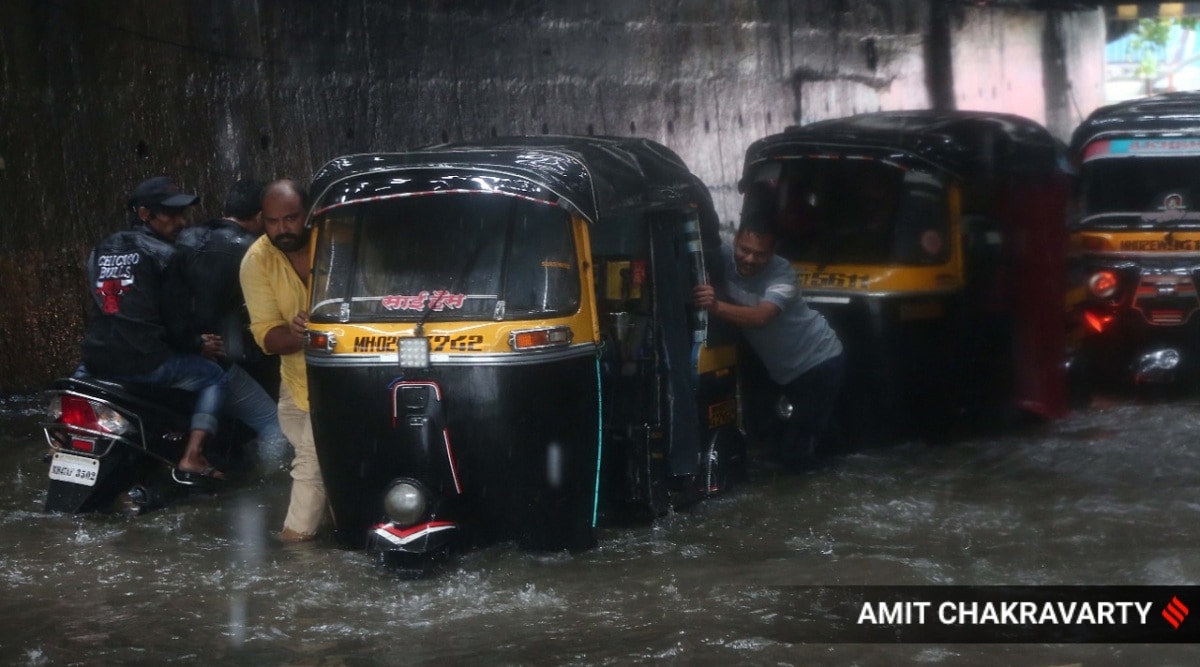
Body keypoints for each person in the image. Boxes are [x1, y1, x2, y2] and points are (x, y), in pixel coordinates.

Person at [79, 176, 228, 479]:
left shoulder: (101, 249)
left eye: (182, 214)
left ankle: (61, 445)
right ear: (144, 214)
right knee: (214, 377)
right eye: (171, 214)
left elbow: (106, 308)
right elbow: (176, 327)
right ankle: (193, 456)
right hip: (145, 361)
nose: (182, 222)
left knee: (76, 387)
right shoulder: (167, 256)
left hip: (96, 359)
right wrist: (199, 345)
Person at [693, 185, 845, 470]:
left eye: (759, 254)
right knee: (772, 439)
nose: (749, 259)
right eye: (745, 250)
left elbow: (761, 317)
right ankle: (838, 462)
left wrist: (715, 307)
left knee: (795, 453)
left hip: (819, 363)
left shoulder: (782, 274)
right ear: (735, 240)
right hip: (782, 371)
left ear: (772, 252)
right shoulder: (723, 258)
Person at [175, 179, 290, 469]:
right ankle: (267, 483)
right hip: (214, 356)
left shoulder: (184, 236)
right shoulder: (256, 253)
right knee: (274, 426)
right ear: (262, 216)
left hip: (173, 349)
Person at [240, 179, 327, 542]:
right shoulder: (256, 261)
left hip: (343, 378)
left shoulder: (338, 240)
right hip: (295, 383)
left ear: (308, 212)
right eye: (273, 222)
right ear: (263, 220)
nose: (283, 229)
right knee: (321, 465)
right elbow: (267, 335)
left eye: (291, 218)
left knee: (310, 465)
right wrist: (299, 336)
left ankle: (294, 546)